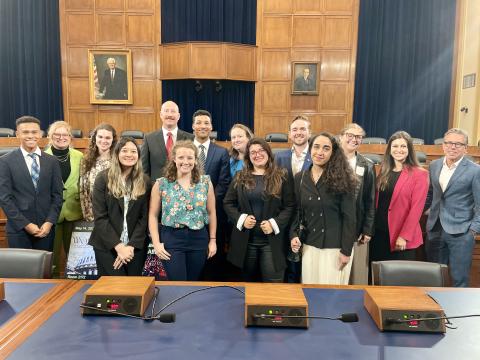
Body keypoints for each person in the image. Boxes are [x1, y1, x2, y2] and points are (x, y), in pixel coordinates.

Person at [224, 138, 295, 282]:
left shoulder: (282, 175)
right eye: (253, 152)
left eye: (261, 150)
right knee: (246, 286)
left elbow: (290, 206)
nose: (257, 154)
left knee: (273, 288)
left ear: (268, 152)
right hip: (245, 242)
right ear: (248, 156)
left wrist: (274, 223)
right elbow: (228, 202)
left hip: (272, 243)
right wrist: (241, 219)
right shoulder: (240, 177)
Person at [290, 132, 356, 285]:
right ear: (310, 149)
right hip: (309, 246)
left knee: (331, 298)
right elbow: (297, 211)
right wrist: (293, 235)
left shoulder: (344, 178)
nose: (320, 152)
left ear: (333, 153)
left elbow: (350, 218)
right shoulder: (300, 178)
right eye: (316, 147)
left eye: (326, 148)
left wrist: (346, 251)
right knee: (309, 293)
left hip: (335, 249)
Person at [148, 141, 217, 281]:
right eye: (181, 157)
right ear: (174, 159)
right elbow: (153, 215)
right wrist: (156, 243)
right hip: (172, 239)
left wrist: (213, 240)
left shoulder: (205, 182)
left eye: (190, 158)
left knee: (193, 283)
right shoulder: (161, 183)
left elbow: (212, 213)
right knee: (178, 283)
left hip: (199, 238)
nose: (185, 161)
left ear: (196, 160)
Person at [425, 128, 480, 287]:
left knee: (459, 279)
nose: (452, 147)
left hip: (461, 232)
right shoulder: (434, 165)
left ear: (466, 148)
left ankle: (457, 312)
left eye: (458, 144)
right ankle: (434, 312)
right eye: (449, 143)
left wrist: (472, 231)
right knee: (434, 278)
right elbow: (431, 194)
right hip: (435, 228)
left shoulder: (475, 171)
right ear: (443, 145)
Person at [89, 137, 151, 276]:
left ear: (138, 156)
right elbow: (100, 217)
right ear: (117, 154)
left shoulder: (145, 181)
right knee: (113, 288)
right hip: (107, 245)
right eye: (125, 150)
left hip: (134, 247)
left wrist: (130, 246)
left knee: (133, 288)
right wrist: (119, 247)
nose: (129, 154)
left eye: (133, 151)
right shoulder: (103, 178)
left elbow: (144, 218)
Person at [0, 116, 63, 251]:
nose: (31, 136)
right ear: (17, 134)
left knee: (44, 271)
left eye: (34, 132)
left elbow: (57, 196)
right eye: (25, 132)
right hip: (19, 230)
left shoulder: (52, 161)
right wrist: (26, 224)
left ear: (40, 134)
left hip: (45, 229)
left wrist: (49, 222)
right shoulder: (5, 162)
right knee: (20, 271)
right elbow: (5, 199)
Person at [370, 131, 429, 264]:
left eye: (403, 146)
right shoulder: (384, 171)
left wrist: (404, 236)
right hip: (379, 234)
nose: (399, 150)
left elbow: (416, 210)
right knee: (376, 279)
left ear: (409, 150)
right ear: (389, 150)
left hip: (400, 237)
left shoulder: (420, 174)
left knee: (397, 282)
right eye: (395, 146)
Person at [192, 109, 231, 280]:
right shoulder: (183, 148)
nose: (203, 126)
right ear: (193, 126)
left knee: (214, 255)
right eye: (199, 122)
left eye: (206, 123)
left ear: (211, 127)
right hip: (187, 212)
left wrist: (206, 203)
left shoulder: (221, 152)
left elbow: (223, 183)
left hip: (213, 211)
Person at [275, 115, 312, 283]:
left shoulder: (317, 155)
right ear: (289, 134)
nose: (299, 132)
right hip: (285, 213)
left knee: (305, 260)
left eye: (302, 129)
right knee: (286, 258)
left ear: (309, 132)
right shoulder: (279, 157)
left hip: (309, 215)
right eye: (295, 129)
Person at [45, 121, 84, 277]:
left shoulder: (79, 156)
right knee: (51, 255)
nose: (61, 137)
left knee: (76, 254)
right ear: (50, 137)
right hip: (51, 214)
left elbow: (83, 181)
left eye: (65, 134)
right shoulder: (42, 156)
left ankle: (76, 284)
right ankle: (51, 283)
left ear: (70, 137)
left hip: (75, 211)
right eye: (57, 134)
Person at [338, 123, 376, 285]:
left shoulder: (367, 165)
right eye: (350, 135)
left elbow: (370, 199)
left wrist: (367, 229)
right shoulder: (329, 160)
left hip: (356, 225)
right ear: (341, 137)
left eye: (358, 137)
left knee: (356, 275)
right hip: (332, 223)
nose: (354, 139)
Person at [141, 100, 194, 181]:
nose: (170, 115)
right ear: (161, 115)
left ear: (178, 116)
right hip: (156, 188)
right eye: (166, 111)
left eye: (173, 111)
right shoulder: (149, 138)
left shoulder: (190, 138)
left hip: (183, 188)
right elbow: (144, 170)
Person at [80, 123, 117, 222]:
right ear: (94, 138)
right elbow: (83, 190)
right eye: (100, 137)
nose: (103, 141)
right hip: (92, 214)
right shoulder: (86, 160)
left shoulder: (118, 161)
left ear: (113, 140)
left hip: (114, 215)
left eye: (107, 138)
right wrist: (88, 215)